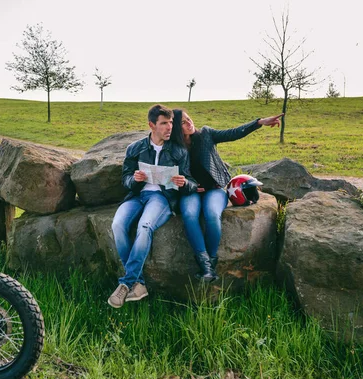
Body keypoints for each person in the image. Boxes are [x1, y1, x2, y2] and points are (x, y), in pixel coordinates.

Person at [170, 109, 283, 281]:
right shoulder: (173, 148)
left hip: (213, 190)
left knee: (212, 215)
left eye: (189, 119)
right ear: (176, 129)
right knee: (190, 215)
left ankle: (210, 263)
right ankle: (206, 267)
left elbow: (233, 133)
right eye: (183, 122)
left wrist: (259, 122)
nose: (189, 123)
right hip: (189, 191)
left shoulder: (206, 134)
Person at [108, 105, 197, 308]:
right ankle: (139, 284)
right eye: (164, 123)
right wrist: (135, 179)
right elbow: (126, 179)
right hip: (137, 196)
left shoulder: (178, 150)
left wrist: (184, 183)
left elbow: (191, 183)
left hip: (161, 198)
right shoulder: (135, 148)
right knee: (118, 225)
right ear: (152, 125)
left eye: (171, 123)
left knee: (145, 226)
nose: (169, 127)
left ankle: (126, 284)